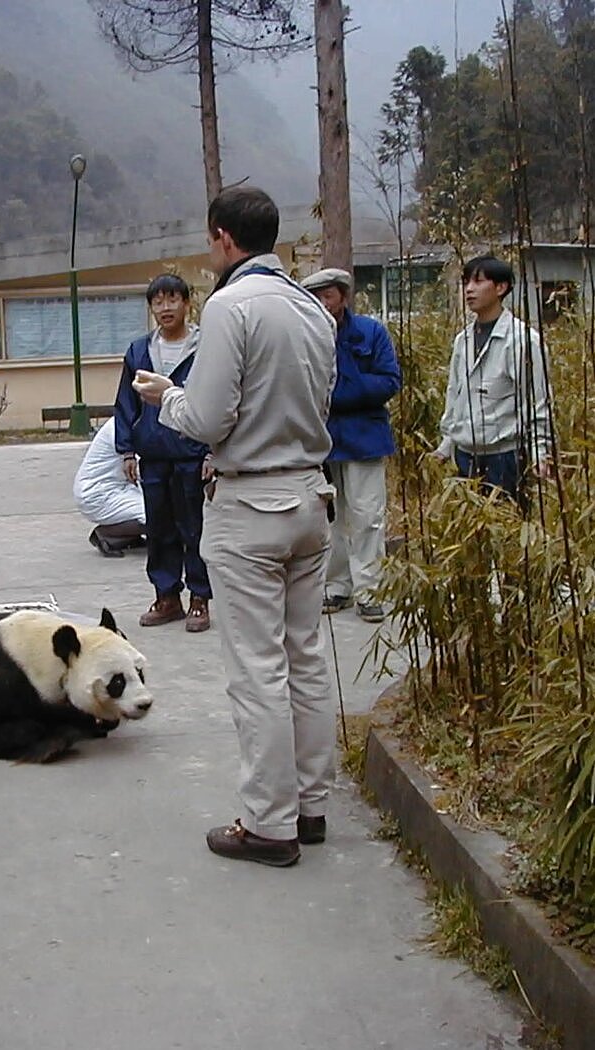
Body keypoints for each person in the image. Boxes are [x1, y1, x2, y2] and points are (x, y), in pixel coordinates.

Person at [132, 186, 337, 868]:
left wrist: (168, 396)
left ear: (222, 237)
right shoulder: (311, 306)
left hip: (250, 503)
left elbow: (210, 418)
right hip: (310, 494)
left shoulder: (230, 306)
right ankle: (309, 806)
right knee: (305, 658)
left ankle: (268, 822)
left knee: (257, 669)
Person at [300, 268, 401, 624]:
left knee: (367, 516)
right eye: (316, 296)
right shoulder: (306, 336)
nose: (323, 303)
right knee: (331, 518)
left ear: (343, 297)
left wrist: (338, 395)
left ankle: (370, 590)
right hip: (322, 441)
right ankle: (337, 586)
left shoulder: (371, 333)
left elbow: (389, 381)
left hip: (365, 438)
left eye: (328, 295)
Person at [114, 274, 213, 632]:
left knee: (194, 529)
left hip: (191, 451)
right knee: (159, 529)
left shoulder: (207, 347)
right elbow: (125, 404)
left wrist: (212, 452)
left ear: (187, 303)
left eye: (173, 300)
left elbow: (219, 401)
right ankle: (166, 596)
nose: (165, 308)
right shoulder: (139, 351)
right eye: (158, 302)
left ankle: (200, 598)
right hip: (154, 454)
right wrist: (126, 451)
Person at [433, 255, 552, 502]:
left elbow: (537, 400)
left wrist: (540, 451)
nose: (469, 289)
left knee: (506, 527)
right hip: (465, 454)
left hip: (505, 457)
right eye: (466, 282)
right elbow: (455, 394)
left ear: (501, 287)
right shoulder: (462, 341)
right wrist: (447, 444)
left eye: (478, 282)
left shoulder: (522, 340)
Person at [72, 417, 146, 557]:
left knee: (163, 512)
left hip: (119, 487)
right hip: (97, 493)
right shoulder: (121, 428)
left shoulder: (131, 421)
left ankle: (128, 536)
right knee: (157, 514)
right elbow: (142, 470)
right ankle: (105, 533)